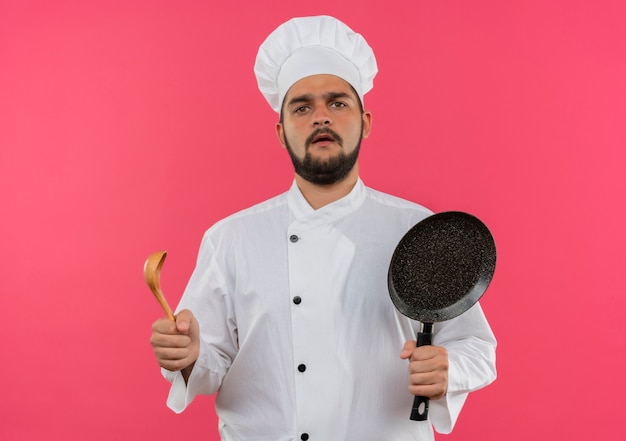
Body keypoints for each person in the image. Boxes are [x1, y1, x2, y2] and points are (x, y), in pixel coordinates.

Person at [150, 15, 496, 441]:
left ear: (365, 122)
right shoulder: (230, 239)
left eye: (337, 103)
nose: (321, 117)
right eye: (302, 106)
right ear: (281, 132)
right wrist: (186, 356)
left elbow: (477, 348)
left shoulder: (418, 229)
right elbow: (208, 365)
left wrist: (450, 367)